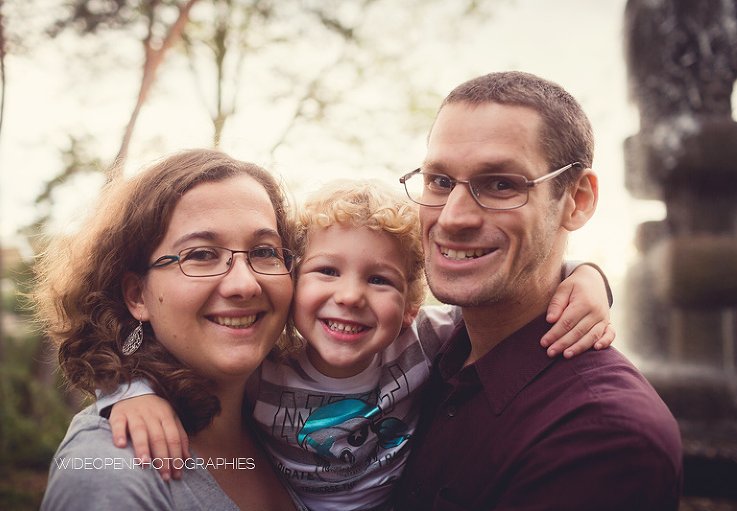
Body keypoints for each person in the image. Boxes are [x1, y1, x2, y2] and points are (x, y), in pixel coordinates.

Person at [99, 179, 614, 510]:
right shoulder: (265, 358)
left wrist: (586, 276)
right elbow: (151, 350)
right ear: (292, 286)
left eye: (380, 280)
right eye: (326, 271)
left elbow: (512, 296)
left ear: (410, 305)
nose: (349, 296)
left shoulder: (422, 341)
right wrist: (132, 393)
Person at [392, 71, 683, 510]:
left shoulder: (603, 437)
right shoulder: (422, 349)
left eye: (501, 184)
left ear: (578, 200)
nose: (452, 217)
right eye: (440, 181)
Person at [36, 149, 304, 510]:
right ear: (137, 295)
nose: (244, 284)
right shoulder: (111, 467)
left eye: (265, 252)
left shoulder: (291, 429)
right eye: (201, 254)